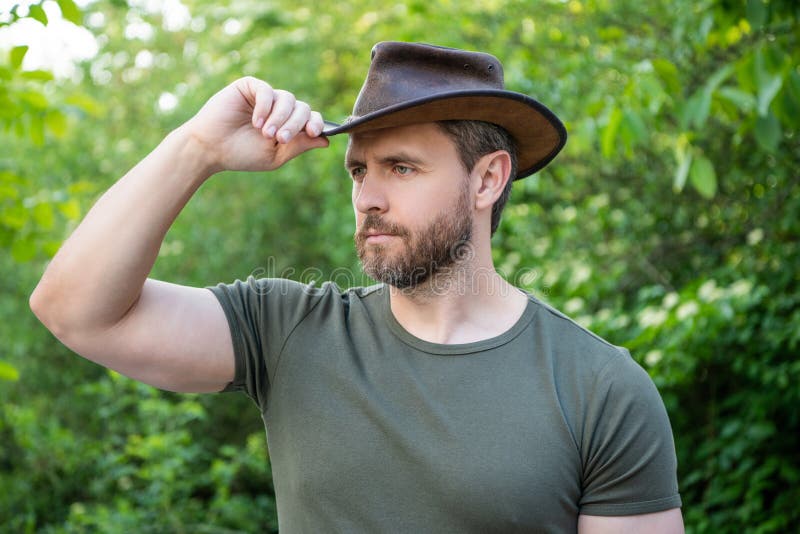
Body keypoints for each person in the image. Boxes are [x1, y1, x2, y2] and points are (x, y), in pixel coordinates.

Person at [30, 41, 683, 532]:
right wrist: (198, 147)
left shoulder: (600, 389)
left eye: (401, 168)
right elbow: (73, 311)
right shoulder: (287, 332)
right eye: (357, 170)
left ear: (487, 180)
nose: (367, 198)